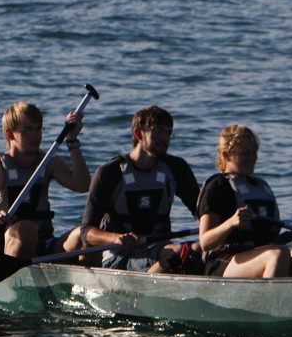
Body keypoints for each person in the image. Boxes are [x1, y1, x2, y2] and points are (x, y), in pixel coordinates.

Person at [79, 105, 201, 273]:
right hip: (119, 255)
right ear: (138, 134)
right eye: (158, 131)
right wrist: (116, 238)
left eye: (168, 132)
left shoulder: (176, 168)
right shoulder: (109, 172)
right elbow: (86, 231)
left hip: (160, 248)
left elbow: (201, 212)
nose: (164, 138)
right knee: (178, 255)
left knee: (196, 251)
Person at [0, 101, 90, 259]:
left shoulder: (48, 161)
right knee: (26, 230)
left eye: (38, 129)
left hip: (45, 243)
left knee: (84, 235)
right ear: (10, 134)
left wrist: (72, 141)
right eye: (27, 130)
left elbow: (82, 185)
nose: (35, 135)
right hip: (10, 241)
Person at [196, 124, 292, 278]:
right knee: (277, 254)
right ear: (226, 155)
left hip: (259, 256)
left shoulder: (260, 186)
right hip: (223, 262)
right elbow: (205, 242)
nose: (253, 157)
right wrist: (231, 223)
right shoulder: (217, 187)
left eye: (254, 151)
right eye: (245, 153)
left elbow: (266, 241)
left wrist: (290, 236)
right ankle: (269, 301)